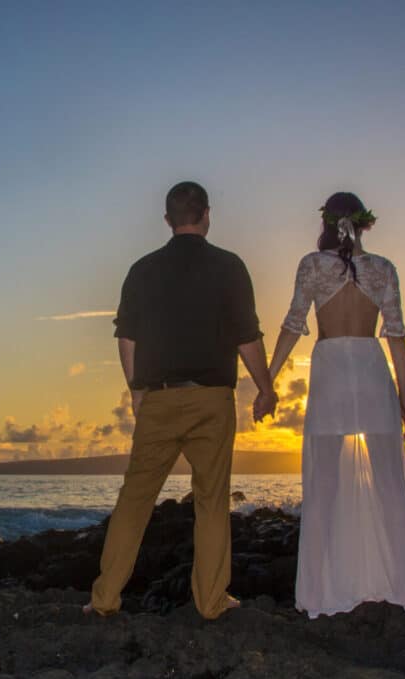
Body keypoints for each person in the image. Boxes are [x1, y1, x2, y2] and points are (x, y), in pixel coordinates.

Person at [84, 181, 278, 620]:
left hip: (159, 398)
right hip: (212, 400)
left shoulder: (142, 269)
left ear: (168, 219)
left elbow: (126, 337)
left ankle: (104, 600)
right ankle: (211, 602)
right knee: (211, 501)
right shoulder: (230, 267)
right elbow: (247, 337)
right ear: (206, 214)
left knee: (135, 499)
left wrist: (136, 391)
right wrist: (265, 388)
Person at [268, 191, 405, 618]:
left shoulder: (313, 265)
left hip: (332, 372)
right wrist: (404, 397)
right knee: (390, 487)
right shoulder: (383, 269)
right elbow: (394, 335)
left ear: (326, 222)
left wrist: (268, 379)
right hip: (372, 371)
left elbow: (292, 324)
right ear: (365, 224)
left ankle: (319, 596)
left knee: (324, 485)